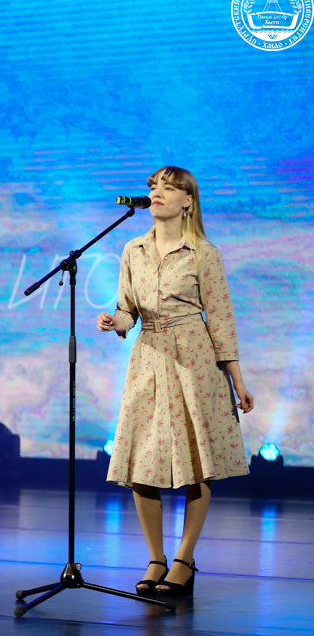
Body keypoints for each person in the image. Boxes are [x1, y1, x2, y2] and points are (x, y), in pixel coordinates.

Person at [96, 165, 254, 598]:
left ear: (188, 201)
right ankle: (156, 558)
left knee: (196, 462)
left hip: (193, 360)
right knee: (141, 462)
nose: (158, 193)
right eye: (154, 186)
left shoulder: (204, 253)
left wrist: (238, 382)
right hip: (148, 357)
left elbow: (220, 320)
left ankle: (184, 559)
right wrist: (115, 321)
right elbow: (128, 309)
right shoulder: (133, 249)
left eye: (168, 187)